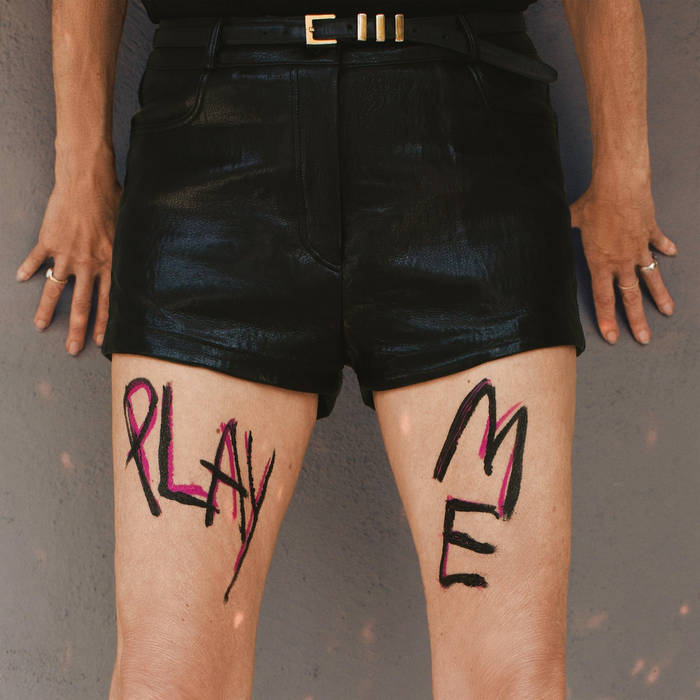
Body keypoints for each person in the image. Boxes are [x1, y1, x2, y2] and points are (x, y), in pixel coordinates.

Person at [16, 0, 677, 697]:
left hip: (468, 137)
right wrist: (80, 162)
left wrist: (626, 168)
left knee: (511, 680)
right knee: (166, 677)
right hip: (213, 142)